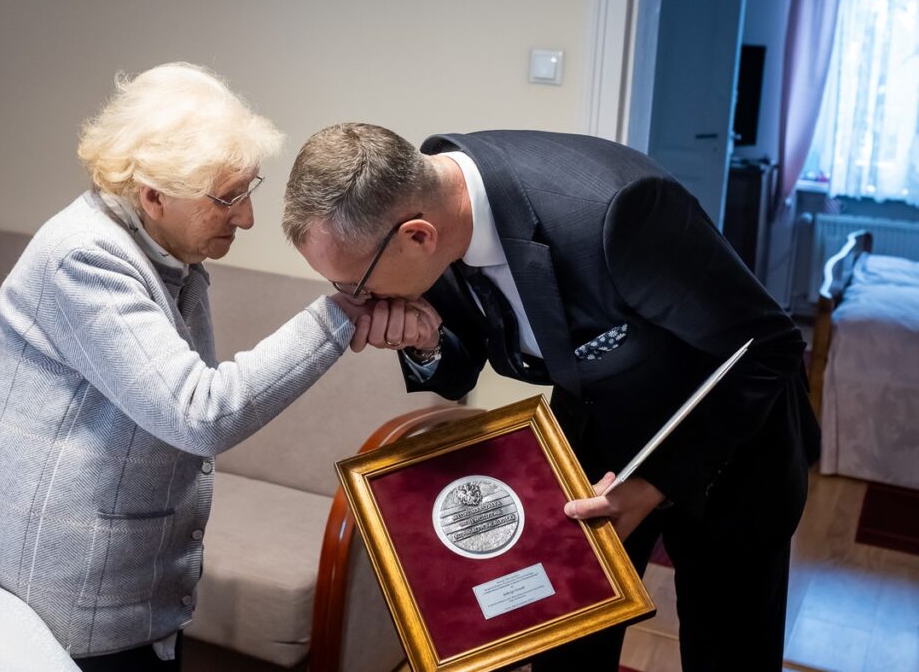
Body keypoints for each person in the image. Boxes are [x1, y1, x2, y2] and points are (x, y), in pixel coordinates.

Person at [283, 123, 820, 671]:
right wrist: (426, 343)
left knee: (728, 653)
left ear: (418, 236)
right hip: (596, 443)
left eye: (357, 286)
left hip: (732, 448)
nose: (358, 302)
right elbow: (465, 352)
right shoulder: (424, 205)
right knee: (564, 649)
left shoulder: (618, 211)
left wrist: (654, 485)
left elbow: (768, 346)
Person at [0, 64, 369, 670]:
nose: (248, 217)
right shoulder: (84, 258)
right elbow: (199, 414)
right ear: (153, 195)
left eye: (249, 188)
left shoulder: (166, 250)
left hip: (133, 605)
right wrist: (338, 317)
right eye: (230, 198)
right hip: (60, 612)